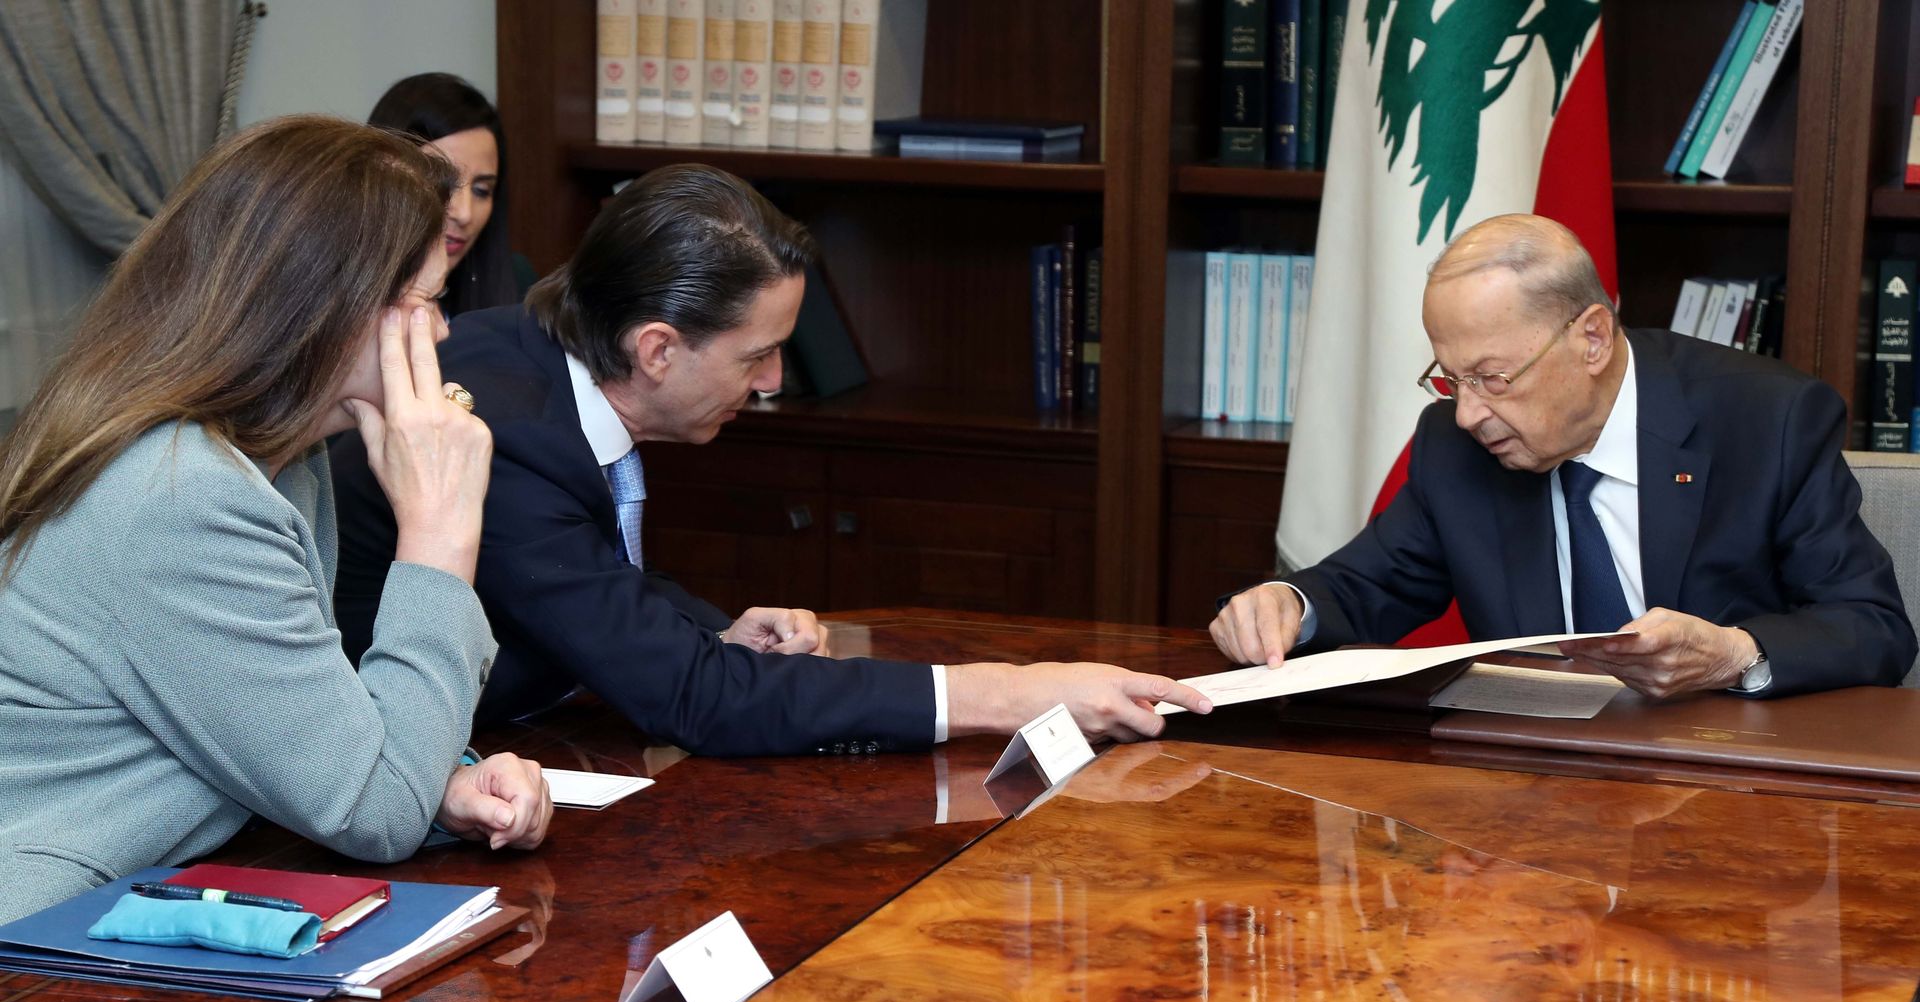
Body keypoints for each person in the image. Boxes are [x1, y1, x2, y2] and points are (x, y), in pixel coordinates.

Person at [331, 163, 1212, 755]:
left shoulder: (537, 347)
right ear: (657, 350)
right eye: (757, 355)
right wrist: (1008, 695)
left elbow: (571, 571)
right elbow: (694, 700)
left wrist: (708, 628)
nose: (775, 381)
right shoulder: (495, 430)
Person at [0, 116, 552, 924]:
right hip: (46, 955)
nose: (439, 332)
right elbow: (374, 813)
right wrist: (439, 533)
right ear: (328, 308)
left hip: (148, 905)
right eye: (428, 303)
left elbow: (290, 725)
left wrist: (439, 780)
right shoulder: (183, 496)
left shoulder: (275, 458)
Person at [1210, 213, 1915, 699]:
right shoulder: (1454, 447)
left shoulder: (1767, 420)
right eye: (1451, 379)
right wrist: (1287, 603)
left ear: (1592, 339)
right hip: (1533, 793)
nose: (1468, 412)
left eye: (1493, 377)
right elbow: (1367, 588)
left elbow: (1873, 628)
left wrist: (1735, 655)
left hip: (1720, 771)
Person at [368, 73, 526, 317]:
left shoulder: (516, 278)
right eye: (442, 184)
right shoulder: (329, 293)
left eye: (481, 190)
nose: (464, 213)